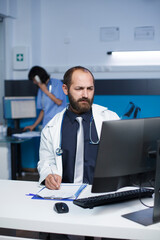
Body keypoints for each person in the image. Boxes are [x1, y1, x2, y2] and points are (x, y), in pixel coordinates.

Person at [38, 66, 119, 189]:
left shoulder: (111, 119)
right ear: (65, 89)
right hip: (65, 192)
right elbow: (46, 162)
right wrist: (48, 175)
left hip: (101, 192)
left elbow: (121, 160)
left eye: (90, 89)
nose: (85, 94)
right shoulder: (51, 128)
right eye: (79, 89)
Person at [24, 66, 67, 131]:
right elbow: (43, 110)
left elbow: (59, 102)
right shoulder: (40, 90)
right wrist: (33, 126)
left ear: (38, 77)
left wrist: (45, 91)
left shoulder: (57, 83)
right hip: (47, 124)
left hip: (58, 124)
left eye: (34, 80)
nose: (34, 82)